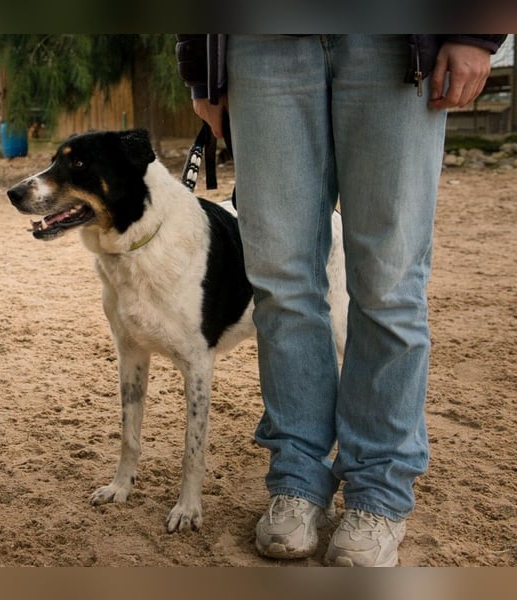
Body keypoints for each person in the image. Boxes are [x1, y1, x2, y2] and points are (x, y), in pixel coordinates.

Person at [176, 34, 505, 567]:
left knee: (389, 284)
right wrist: (199, 63)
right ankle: (297, 480)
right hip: (262, 45)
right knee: (280, 282)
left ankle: (378, 494)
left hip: (396, 38)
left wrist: (476, 31)